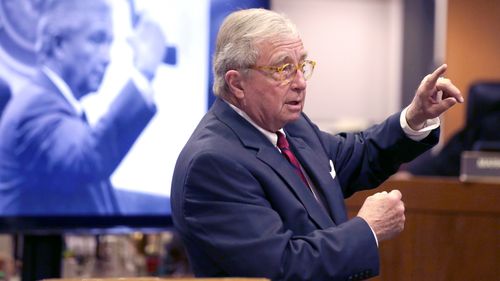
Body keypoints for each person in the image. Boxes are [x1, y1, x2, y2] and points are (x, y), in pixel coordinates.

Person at [170, 8, 463, 280]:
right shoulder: (213, 163)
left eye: (302, 66)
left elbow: (357, 155)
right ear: (236, 84)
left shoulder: (293, 127)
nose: (300, 82)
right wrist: (367, 229)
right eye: (283, 69)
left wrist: (414, 117)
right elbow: (281, 267)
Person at [0, 0, 165, 215]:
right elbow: (87, 159)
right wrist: (144, 73)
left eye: (109, 43)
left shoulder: (54, 104)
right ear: (59, 45)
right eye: (96, 40)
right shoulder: (37, 106)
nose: (107, 58)